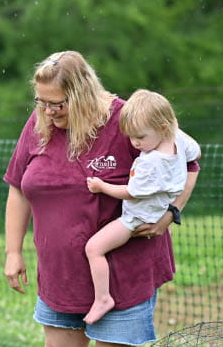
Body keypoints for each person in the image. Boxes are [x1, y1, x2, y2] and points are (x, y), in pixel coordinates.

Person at [3, 51, 200, 347]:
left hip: (123, 269)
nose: (46, 111)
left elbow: (189, 163)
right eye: (40, 101)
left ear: (81, 94)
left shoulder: (130, 119)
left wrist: (171, 213)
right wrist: (13, 251)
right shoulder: (40, 124)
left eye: (56, 104)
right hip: (60, 271)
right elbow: (17, 187)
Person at [83, 89, 201, 325]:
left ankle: (103, 298)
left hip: (137, 217)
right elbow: (195, 152)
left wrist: (101, 186)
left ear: (163, 127)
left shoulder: (151, 162)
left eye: (140, 137)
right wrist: (174, 129)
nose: (135, 143)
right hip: (159, 207)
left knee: (94, 248)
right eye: (130, 137)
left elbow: (130, 192)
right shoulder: (177, 140)